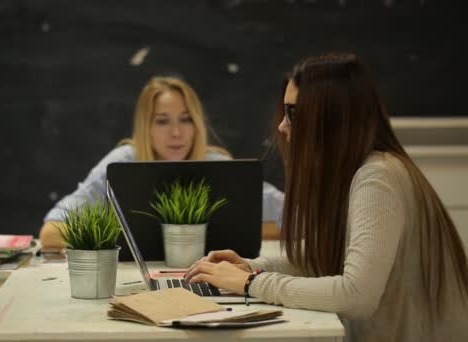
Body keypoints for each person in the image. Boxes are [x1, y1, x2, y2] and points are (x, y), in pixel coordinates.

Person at [184, 52, 468, 341]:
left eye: (292, 112)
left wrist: (251, 282)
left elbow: (356, 295)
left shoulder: (378, 178)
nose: (282, 126)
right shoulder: (360, 171)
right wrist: (253, 267)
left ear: (331, 117)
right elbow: (327, 259)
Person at [39, 75, 284, 251]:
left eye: (186, 120)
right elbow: (51, 233)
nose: (176, 133)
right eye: (163, 121)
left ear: (197, 124)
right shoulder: (121, 164)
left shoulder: (217, 166)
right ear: (146, 127)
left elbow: (294, 218)